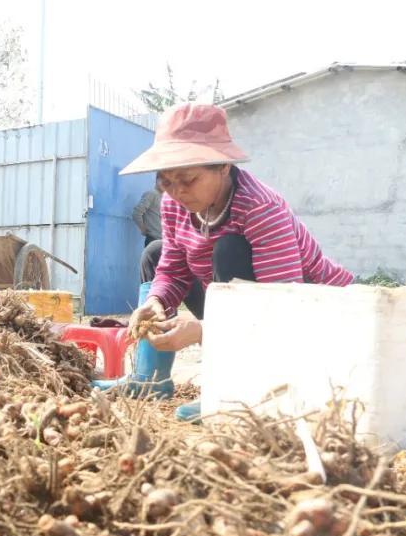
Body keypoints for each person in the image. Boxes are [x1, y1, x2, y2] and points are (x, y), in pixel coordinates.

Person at [96, 103, 352, 421]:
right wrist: (156, 300)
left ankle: (234, 392)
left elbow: (283, 307)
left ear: (223, 167)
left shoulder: (259, 208)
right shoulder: (174, 204)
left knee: (229, 249)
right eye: (166, 182)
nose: (176, 192)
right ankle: (151, 379)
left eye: (187, 179)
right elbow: (173, 267)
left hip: (310, 310)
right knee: (156, 253)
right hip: (236, 305)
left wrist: (203, 330)